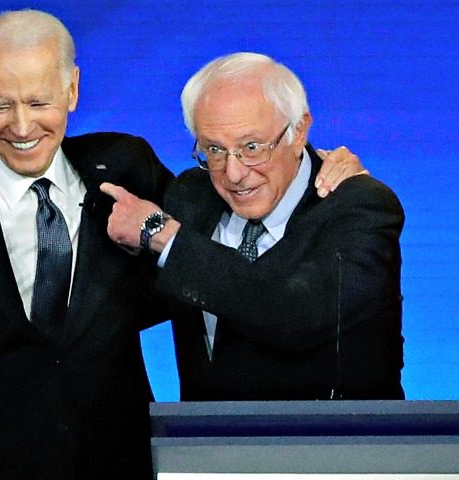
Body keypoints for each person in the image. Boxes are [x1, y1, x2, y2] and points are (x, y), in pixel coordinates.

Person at [0, 9, 365, 479]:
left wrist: (317, 166)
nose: (21, 126)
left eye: (39, 102)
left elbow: (233, 226)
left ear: (72, 89)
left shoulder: (126, 167)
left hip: (120, 466)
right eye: (0, 104)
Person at [101, 52, 404, 401]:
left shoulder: (359, 208)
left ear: (298, 130)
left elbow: (290, 312)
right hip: (205, 448)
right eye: (214, 149)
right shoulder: (189, 196)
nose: (234, 173)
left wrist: (163, 234)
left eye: (252, 147)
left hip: (332, 447)